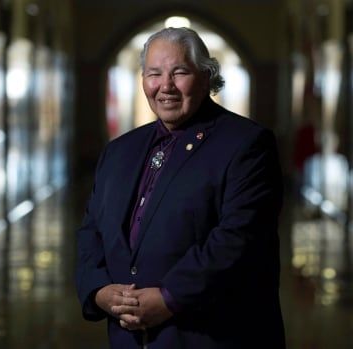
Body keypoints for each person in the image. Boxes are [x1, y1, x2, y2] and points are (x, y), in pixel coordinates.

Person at [75, 27, 285, 348]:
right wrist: (98, 290)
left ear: (205, 77)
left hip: (210, 336)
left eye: (180, 72)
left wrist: (169, 299)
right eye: (154, 74)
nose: (165, 87)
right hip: (129, 339)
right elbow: (92, 230)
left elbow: (239, 239)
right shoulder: (119, 151)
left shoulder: (247, 145)